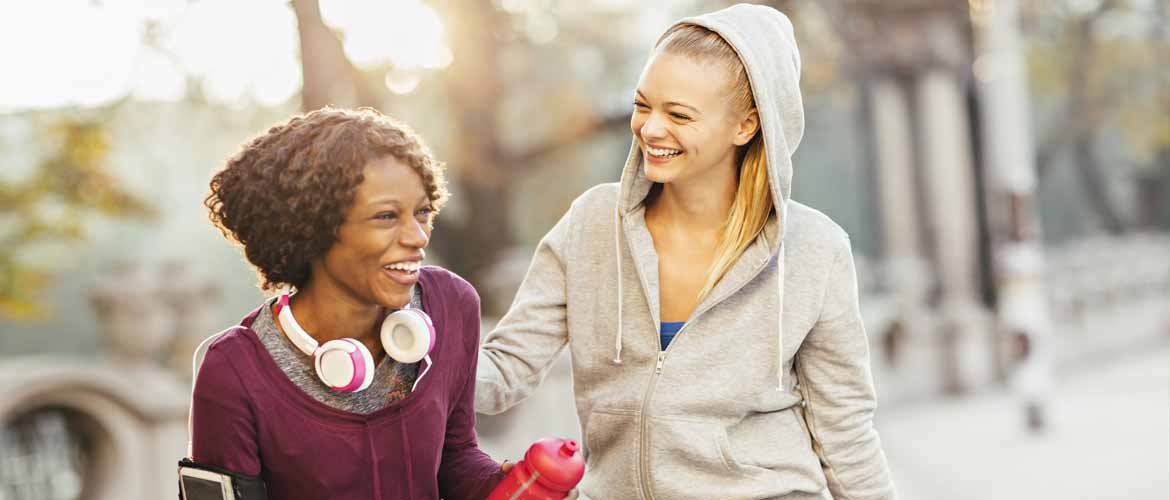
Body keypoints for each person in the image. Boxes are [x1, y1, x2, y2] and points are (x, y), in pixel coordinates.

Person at [476, 4, 897, 499]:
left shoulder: (815, 251)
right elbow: (504, 370)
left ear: (745, 126)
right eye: (642, 105)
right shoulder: (591, 225)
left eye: (678, 114)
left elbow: (845, 432)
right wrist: (398, 349)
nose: (651, 129)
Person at [192, 107, 503, 499]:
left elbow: (456, 458)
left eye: (422, 212)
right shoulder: (234, 370)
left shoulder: (451, 305)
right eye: (386, 216)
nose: (418, 236)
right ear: (314, 227)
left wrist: (508, 482)